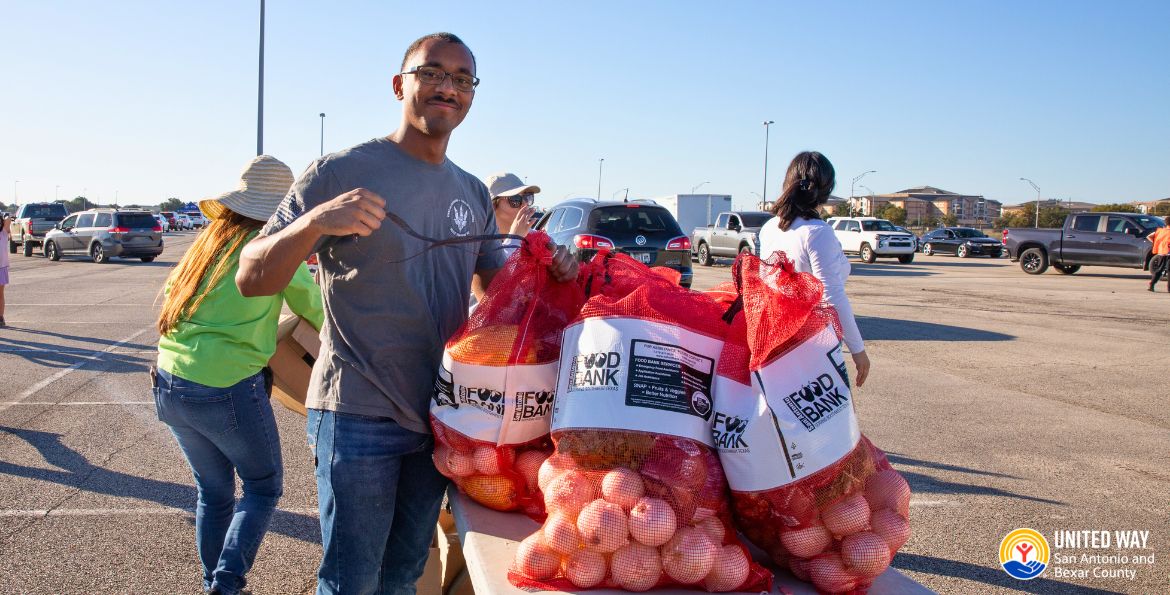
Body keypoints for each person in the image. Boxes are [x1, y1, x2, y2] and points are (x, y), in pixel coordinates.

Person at [234, 33, 577, 594]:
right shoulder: (339, 173)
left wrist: (550, 267)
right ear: (401, 84)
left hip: (444, 417)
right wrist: (317, 221)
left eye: (462, 79)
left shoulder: (469, 189)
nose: (448, 87)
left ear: (472, 97)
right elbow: (252, 276)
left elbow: (500, 293)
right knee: (350, 580)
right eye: (433, 73)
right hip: (357, 411)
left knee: (404, 575)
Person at [154, 155, 324, 595]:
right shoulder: (270, 248)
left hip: (170, 379)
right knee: (264, 488)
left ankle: (214, 580)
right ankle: (225, 586)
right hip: (226, 384)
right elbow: (315, 307)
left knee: (213, 493)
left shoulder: (208, 242)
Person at [758, 151, 871, 387]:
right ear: (826, 190)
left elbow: (765, 280)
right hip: (813, 340)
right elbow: (832, 297)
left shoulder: (770, 228)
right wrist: (858, 350)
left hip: (773, 333)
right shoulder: (818, 232)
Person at [484, 171, 540, 253]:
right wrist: (515, 238)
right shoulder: (478, 244)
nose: (524, 204)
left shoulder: (538, 239)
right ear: (492, 206)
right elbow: (499, 264)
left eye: (527, 197)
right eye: (515, 200)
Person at [1147, 224, 1170, 292]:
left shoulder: (1160, 231)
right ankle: (1169, 288)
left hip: (1161, 253)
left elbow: (1149, 236)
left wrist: (1157, 243)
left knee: (1159, 269)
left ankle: (1151, 284)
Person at [0, 212, 10, 327]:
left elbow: (8, 219)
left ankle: (0, 317)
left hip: (1, 267)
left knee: (0, 294)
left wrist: (4, 216)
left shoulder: (3, 232)